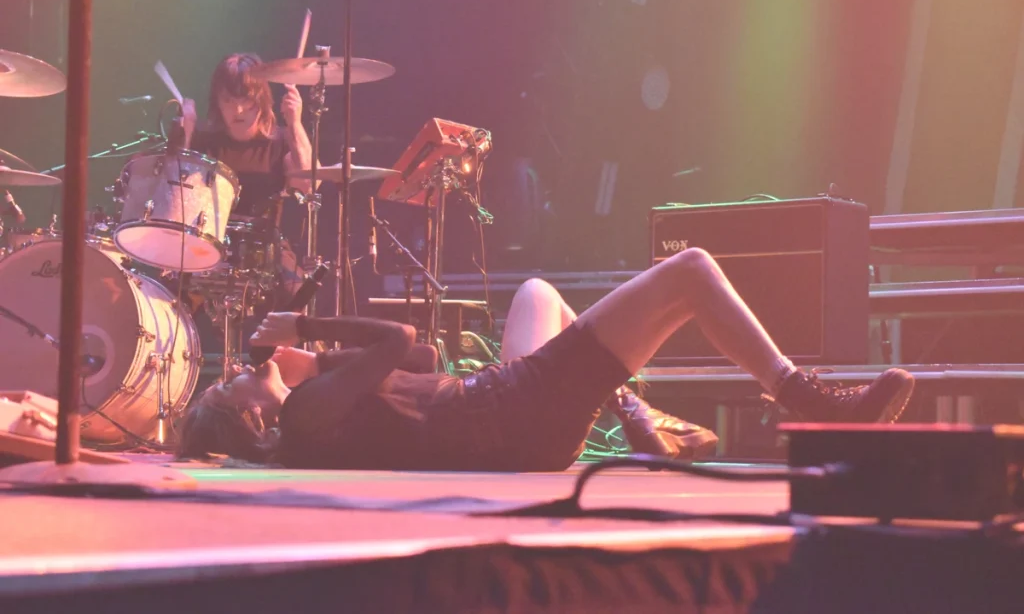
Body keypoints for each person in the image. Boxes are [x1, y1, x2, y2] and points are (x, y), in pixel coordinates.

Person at [177, 248, 916, 471]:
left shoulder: (314, 413)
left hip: (505, 412)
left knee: (536, 292)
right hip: (513, 411)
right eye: (234, 378)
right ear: (250, 409)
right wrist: (306, 324)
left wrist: (316, 357)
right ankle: (804, 396)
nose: (245, 364)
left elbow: (425, 355)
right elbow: (397, 342)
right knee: (689, 271)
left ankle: (632, 411)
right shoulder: (304, 416)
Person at [176, 52, 317, 296]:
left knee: (299, 295)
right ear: (217, 102)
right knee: (172, 300)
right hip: (207, 245)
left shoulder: (281, 141)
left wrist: (295, 122)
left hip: (266, 251)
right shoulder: (206, 142)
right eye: (228, 101)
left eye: (247, 101)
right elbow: (175, 193)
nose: (238, 110)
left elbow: (308, 186)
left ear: (261, 99)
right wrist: (185, 134)